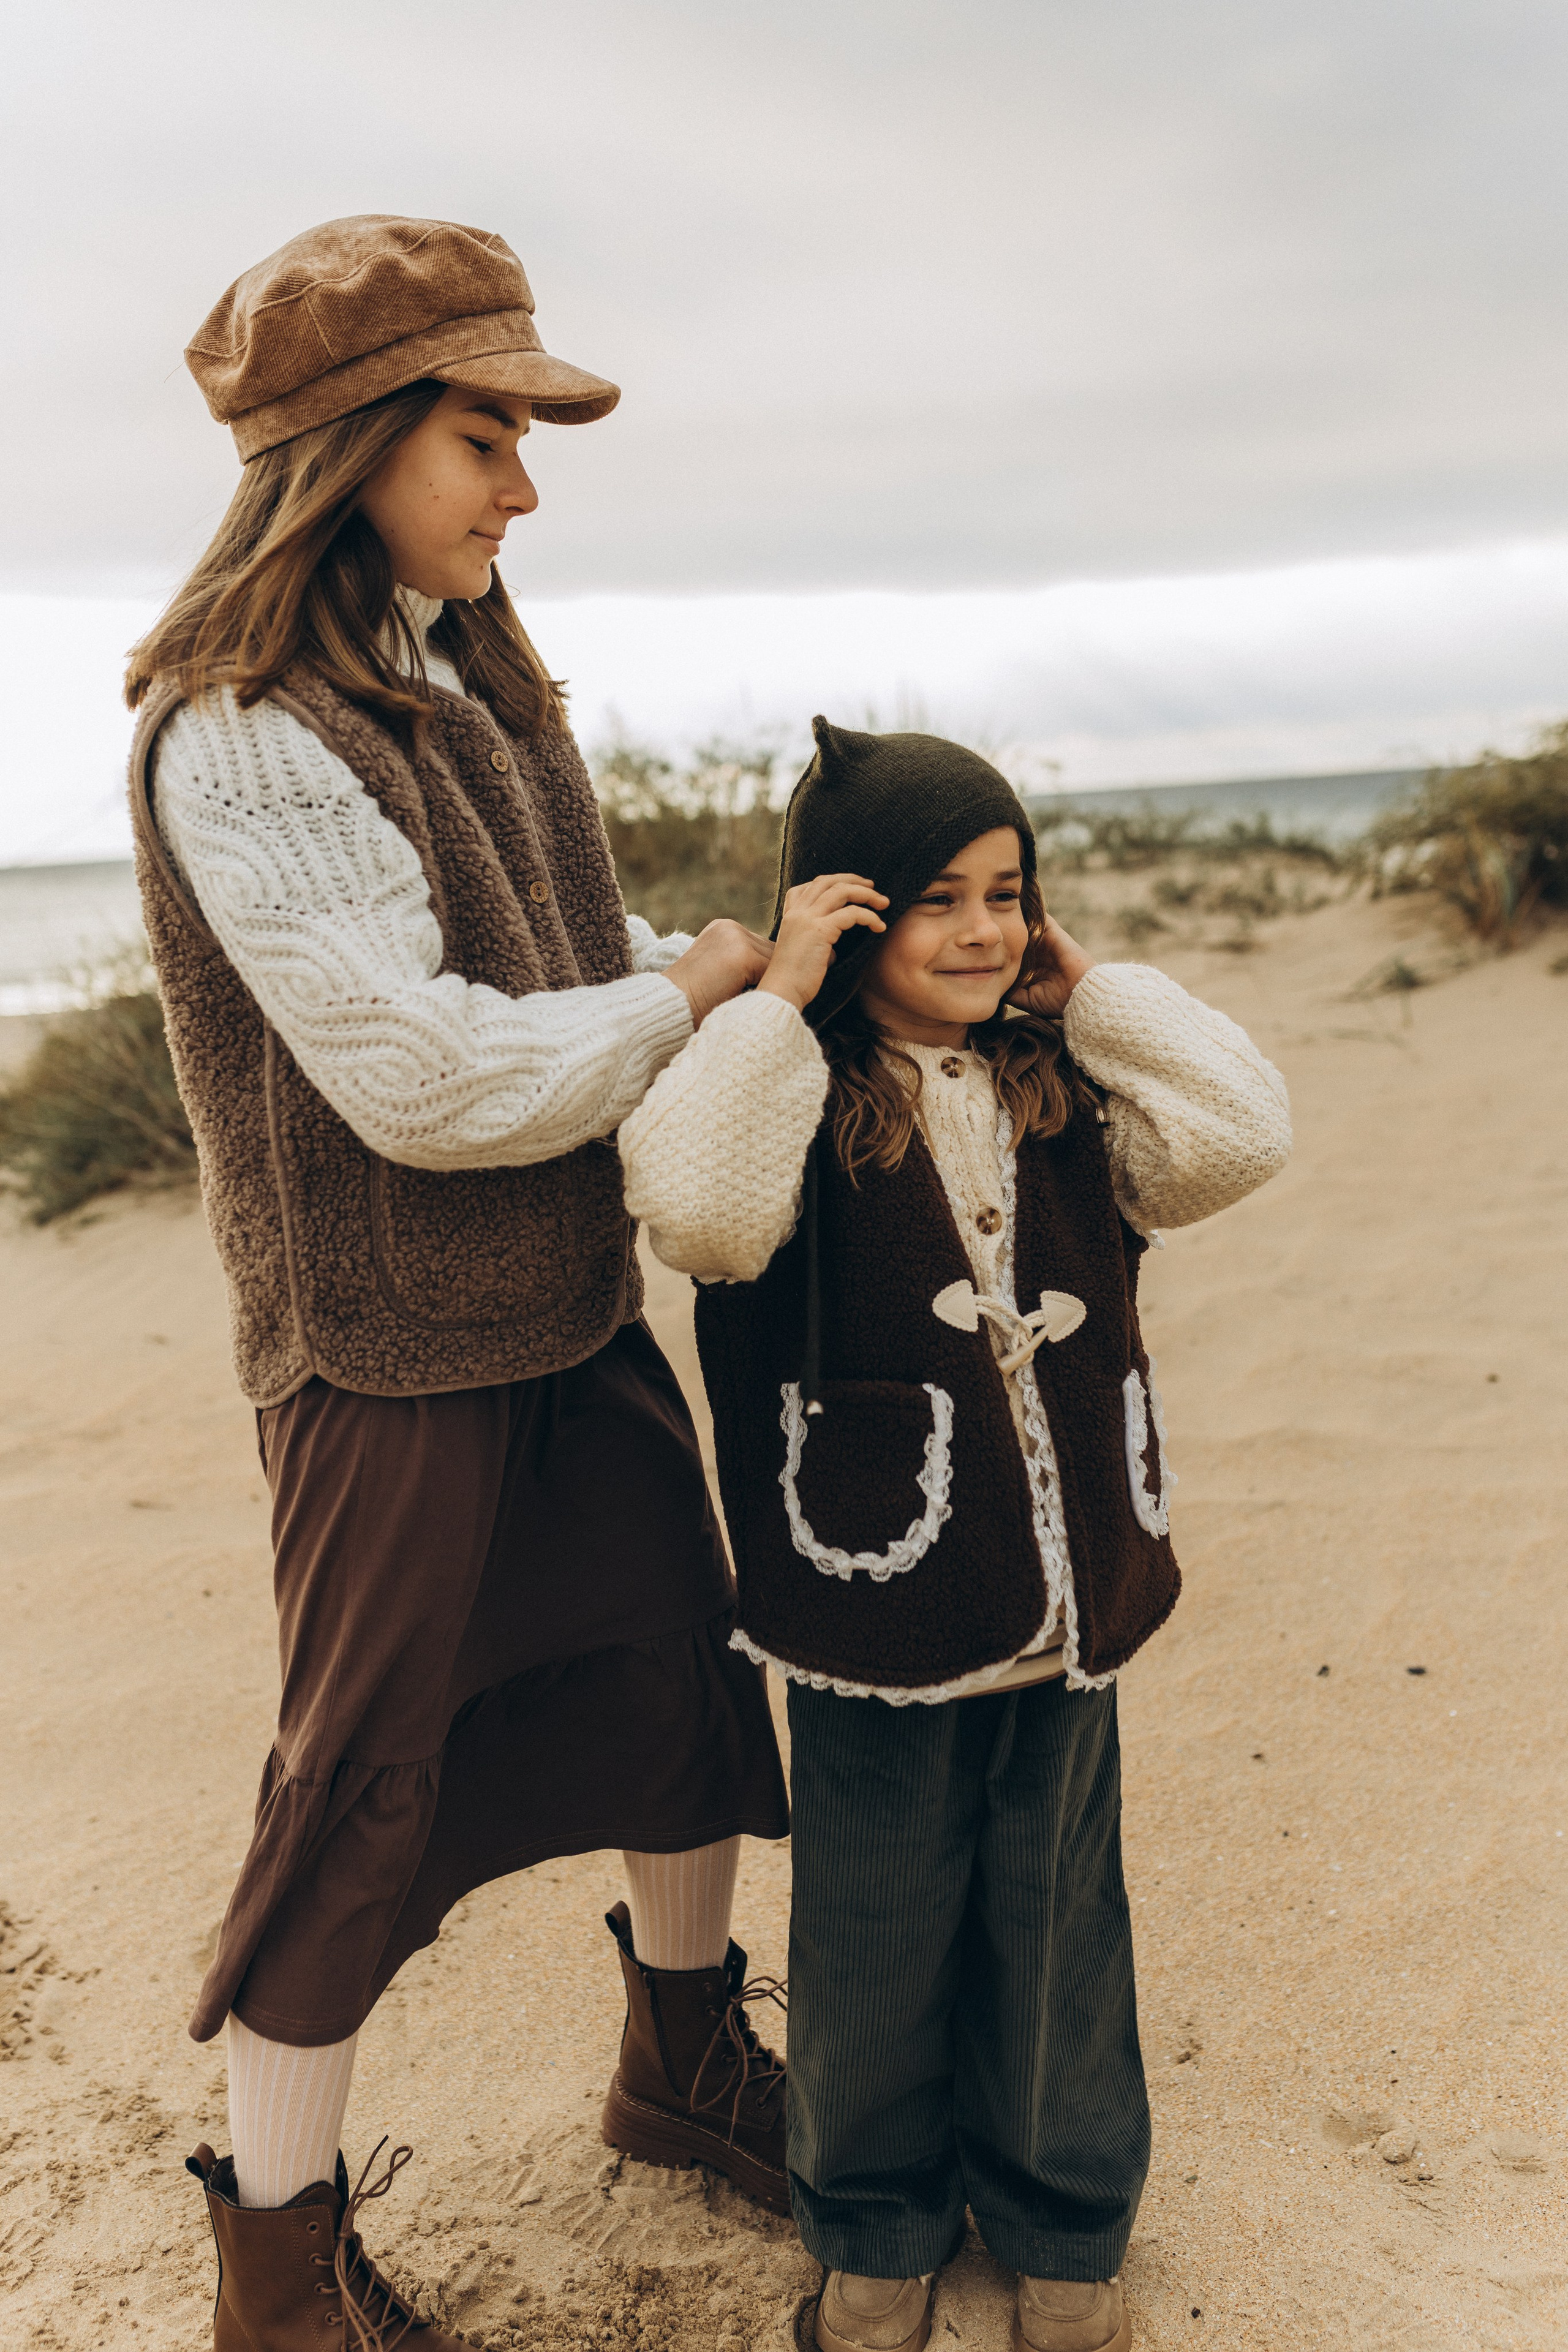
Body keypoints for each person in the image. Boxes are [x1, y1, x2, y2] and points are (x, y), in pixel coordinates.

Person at [123, 215, 790, 2351]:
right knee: (359, 1786)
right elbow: (420, 1074)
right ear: (346, 450)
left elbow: (549, 972)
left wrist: (736, 975)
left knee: (677, 1676)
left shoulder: (476, 681)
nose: (523, 489)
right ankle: (279, 2269)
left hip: (565, 1298)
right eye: (484, 437)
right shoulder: (240, 730)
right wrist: (689, 997)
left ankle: (682, 2070)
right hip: (380, 1347)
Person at [617, 718, 1293, 2352]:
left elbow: (1244, 1132)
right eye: (938, 899)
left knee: (1060, 1934)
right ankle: (877, 2227)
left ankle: (1065, 2224)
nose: (986, 930)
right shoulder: (786, 1098)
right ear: (846, 912)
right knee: (873, 1941)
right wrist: (776, 1000)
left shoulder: (1063, 1087)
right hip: (875, 1603)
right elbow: (697, 1212)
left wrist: (1098, 993)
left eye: (1009, 893)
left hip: (1065, 1610)